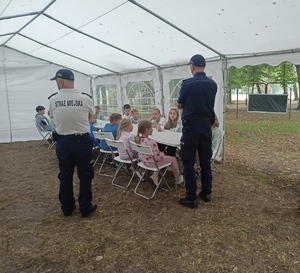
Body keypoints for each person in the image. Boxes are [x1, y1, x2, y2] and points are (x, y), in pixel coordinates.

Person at [48, 69, 97, 217]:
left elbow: (53, 115)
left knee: (65, 175)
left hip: (64, 142)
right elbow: (92, 114)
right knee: (85, 175)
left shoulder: (53, 100)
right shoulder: (85, 98)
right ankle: (85, 207)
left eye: (57, 81)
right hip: (82, 141)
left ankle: (67, 207)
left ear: (61, 81)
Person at [177, 54, 217, 209]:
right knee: (205, 159)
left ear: (192, 67)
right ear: (204, 66)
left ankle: (191, 196)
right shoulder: (212, 84)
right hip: (206, 126)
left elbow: (180, 105)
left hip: (191, 127)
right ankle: (206, 192)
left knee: (188, 160)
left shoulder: (187, 84)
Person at [134, 120, 183, 186]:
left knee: (159, 157)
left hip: (144, 162)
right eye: (151, 128)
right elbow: (158, 157)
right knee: (173, 159)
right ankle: (178, 177)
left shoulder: (139, 140)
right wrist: (162, 154)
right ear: (147, 130)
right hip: (153, 163)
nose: (152, 130)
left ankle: (155, 176)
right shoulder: (151, 142)